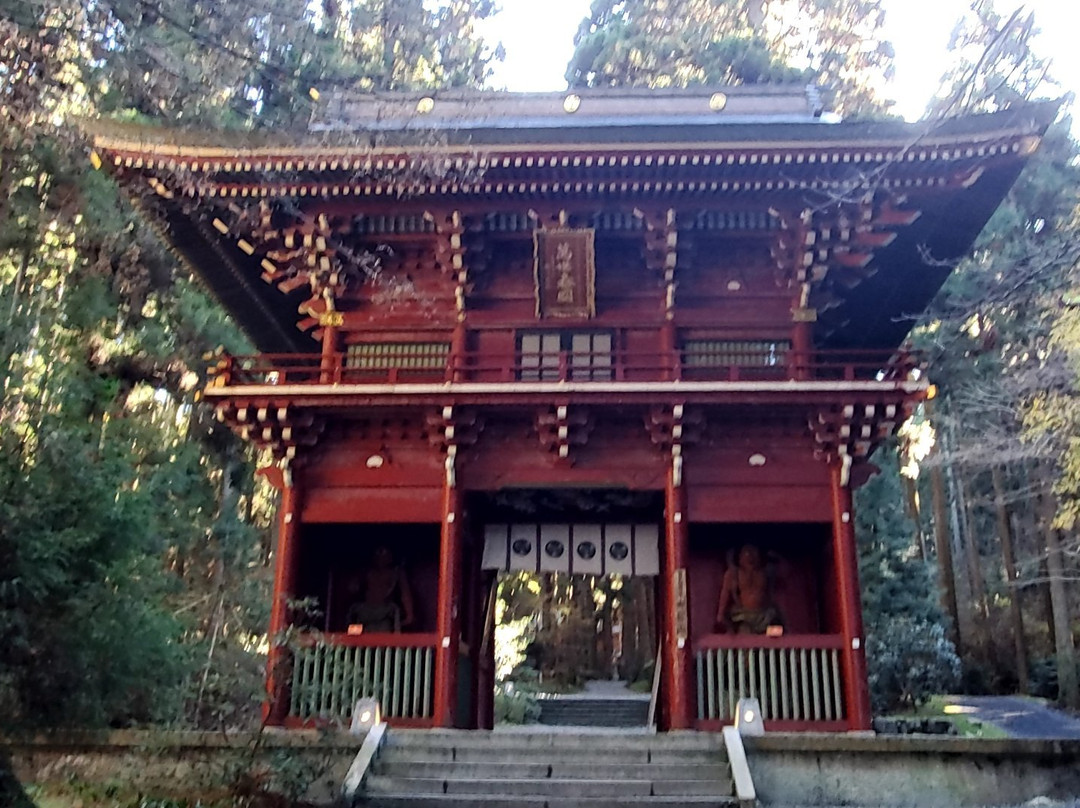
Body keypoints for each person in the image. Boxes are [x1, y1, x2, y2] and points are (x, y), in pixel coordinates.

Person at [715, 544, 782, 635]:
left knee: (776, 634)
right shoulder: (733, 574)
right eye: (746, 552)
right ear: (739, 556)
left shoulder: (767, 572)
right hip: (744, 617)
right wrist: (720, 615)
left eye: (754, 552)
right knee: (745, 635)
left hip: (766, 615)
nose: (750, 556)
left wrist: (775, 556)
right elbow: (725, 595)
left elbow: (786, 574)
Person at [346, 545, 415, 632]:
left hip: (384, 611)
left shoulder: (396, 572)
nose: (381, 557)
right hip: (365, 610)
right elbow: (352, 588)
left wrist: (409, 614)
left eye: (384, 552)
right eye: (378, 552)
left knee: (386, 626)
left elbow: (405, 594)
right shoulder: (366, 571)